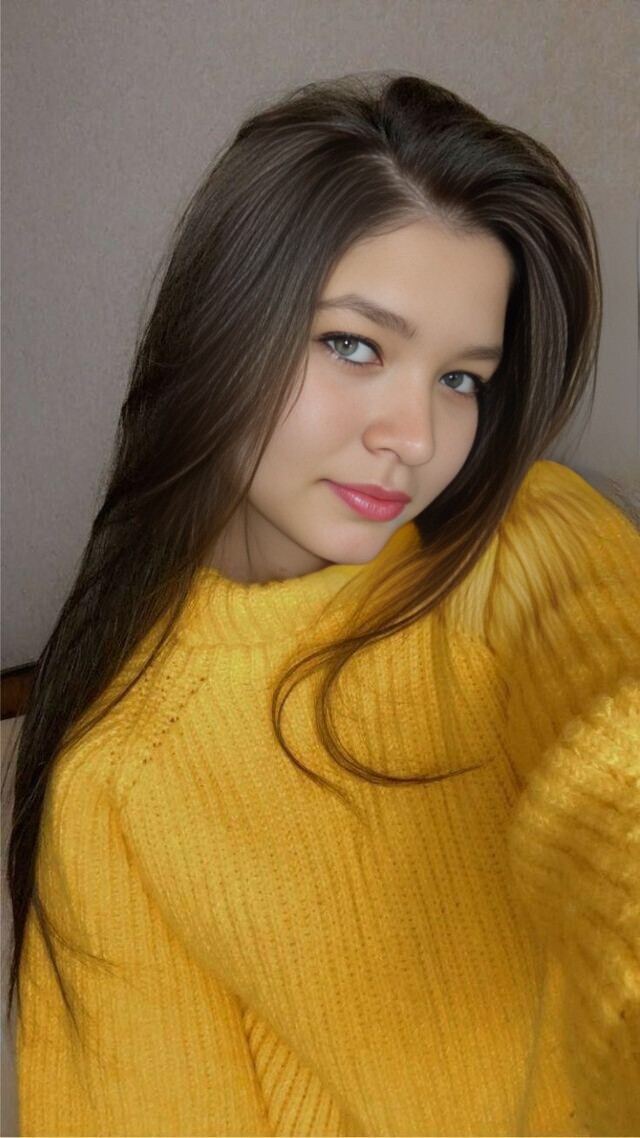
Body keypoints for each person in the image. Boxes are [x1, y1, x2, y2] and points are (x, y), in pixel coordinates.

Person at [4, 71, 639, 1137]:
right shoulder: (117, 780)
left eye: (461, 378)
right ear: (222, 327)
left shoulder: (530, 540)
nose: (416, 437)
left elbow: (615, 757)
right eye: (355, 344)